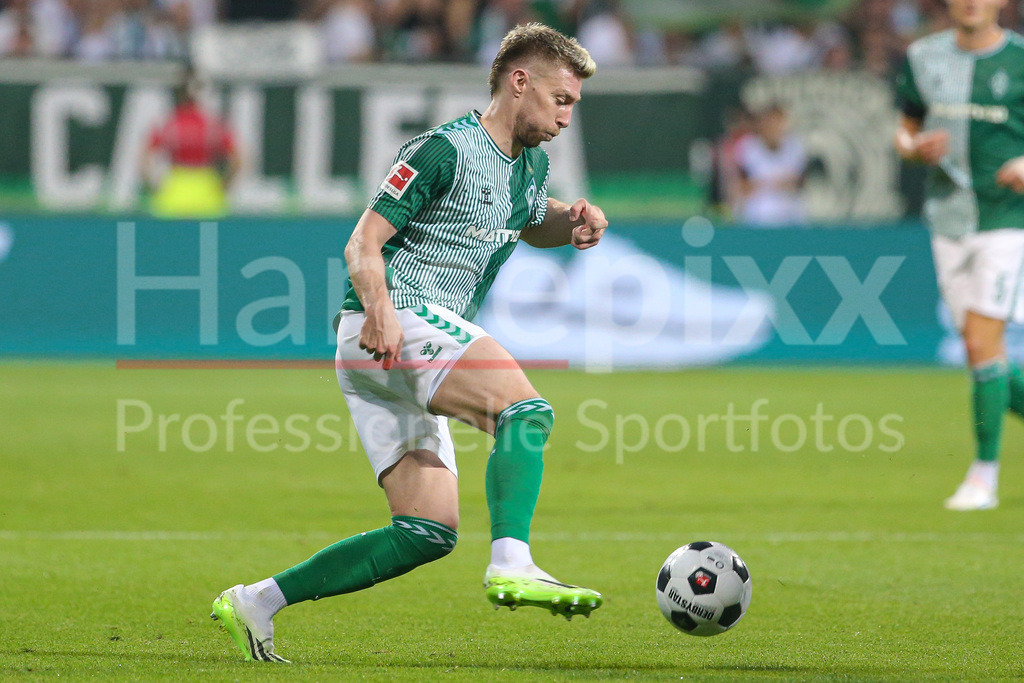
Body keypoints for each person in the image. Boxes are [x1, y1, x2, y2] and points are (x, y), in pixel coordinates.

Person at [210, 23, 608, 663]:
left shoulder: (531, 164)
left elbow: (530, 221)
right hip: (397, 320)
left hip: (395, 352)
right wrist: (381, 310)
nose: (567, 116)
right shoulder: (443, 149)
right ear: (519, 81)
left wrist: (573, 221)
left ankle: (256, 601)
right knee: (525, 412)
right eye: (561, 99)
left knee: (426, 530)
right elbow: (362, 241)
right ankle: (512, 561)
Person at [895, 0, 1024, 511]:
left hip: (1007, 219)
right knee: (982, 357)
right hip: (948, 219)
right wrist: (911, 148)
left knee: (980, 342)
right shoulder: (923, 57)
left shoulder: (1020, 59)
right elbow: (904, 127)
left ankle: (983, 477)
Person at [141, 68, 241, 218]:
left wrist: (154, 186)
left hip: (174, 189)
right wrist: (224, 186)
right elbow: (237, 161)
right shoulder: (212, 124)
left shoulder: (169, 123)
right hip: (207, 188)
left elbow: (144, 159)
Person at [734, 104, 808, 226]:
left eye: (778, 122)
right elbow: (741, 185)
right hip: (757, 217)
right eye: (770, 122)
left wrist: (764, 184)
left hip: (790, 216)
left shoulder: (795, 147)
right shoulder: (748, 147)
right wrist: (776, 183)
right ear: (762, 123)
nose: (774, 127)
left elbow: (800, 183)